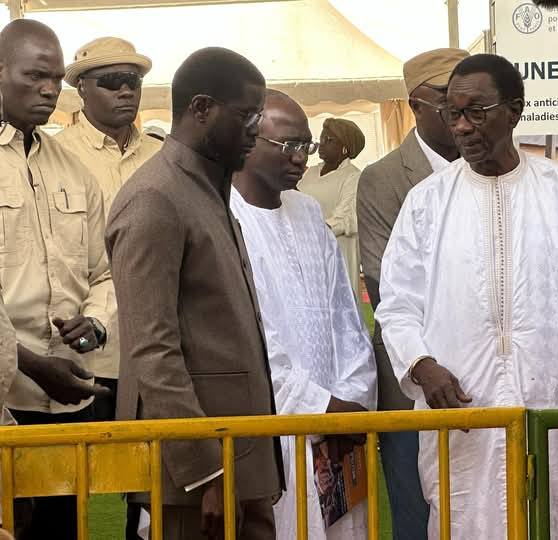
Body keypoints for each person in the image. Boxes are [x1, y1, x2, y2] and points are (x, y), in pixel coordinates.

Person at [376, 54, 558, 539]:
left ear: (514, 110)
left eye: (476, 112)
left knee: (551, 521)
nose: (462, 127)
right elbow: (397, 304)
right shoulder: (428, 201)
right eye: (453, 114)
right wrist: (422, 365)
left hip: (550, 408)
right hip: (462, 415)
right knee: (463, 520)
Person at [105, 48, 283, 540]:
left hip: (238, 462)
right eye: (248, 115)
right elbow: (151, 349)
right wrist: (206, 472)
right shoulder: (155, 199)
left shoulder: (206, 189)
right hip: (193, 481)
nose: (256, 130)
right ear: (201, 108)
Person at [231, 90, 376, 540]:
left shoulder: (309, 212)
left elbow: (346, 317)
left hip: (337, 433)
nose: (301, 158)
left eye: (306, 146)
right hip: (273, 433)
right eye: (288, 145)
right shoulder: (224, 217)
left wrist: (352, 399)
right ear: (247, 140)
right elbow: (247, 343)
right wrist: (321, 408)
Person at [0, 20, 113, 540]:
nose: (49, 90)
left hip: (69, 397)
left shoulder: (73, 169)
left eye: (56, 79)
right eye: (35, 76)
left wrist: (96, 323)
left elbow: (105, 270)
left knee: (61, 530)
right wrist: (30, 364)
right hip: (7, 399)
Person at [356, 47, 468, 540]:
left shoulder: (491, 168)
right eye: (448, 97)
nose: (461, 108)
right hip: (412, 373)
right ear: (416, 104)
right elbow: (386, 283)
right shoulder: (382, 179)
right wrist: (425, 361)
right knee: (417, 510)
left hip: (483, 371)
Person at [56, 37, 161, 424]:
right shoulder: (54, 157)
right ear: (81, 89)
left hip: (159, 353)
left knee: (157, 461)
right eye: (113, 81)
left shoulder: (164, 157)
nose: (126, 91)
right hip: (82, 356)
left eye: (133, 81)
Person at [297, 118, 365, 302]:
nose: (322, 144)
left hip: (337, 250)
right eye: (321, 139)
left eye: (329, 140)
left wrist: (311, 231)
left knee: (337, 303)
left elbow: (345, 218)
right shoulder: (310, 173)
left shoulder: (353, 176)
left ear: (345, 148)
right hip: (306, 250)